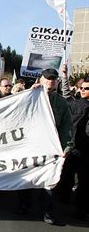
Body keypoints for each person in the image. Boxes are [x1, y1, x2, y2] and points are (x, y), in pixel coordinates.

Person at [17, 68, 72, 226]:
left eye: (53, 78)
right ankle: (24, 204)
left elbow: (66, 127)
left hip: (51, 149)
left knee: (49, 183)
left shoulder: (61, 103)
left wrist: (66, 147)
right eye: (47, 78)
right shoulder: (29, 97)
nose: (50, 81)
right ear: (40, 80)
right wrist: (28, 93)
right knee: (26, 176)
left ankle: (47, 212)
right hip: (28, 146)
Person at [57, 65, 89, 220]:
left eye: (86, 88)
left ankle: (75, 207)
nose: (82, 90)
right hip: (74, 147)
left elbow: (66, 93)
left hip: (82, 149)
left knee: (80, 181)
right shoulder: (75, 103)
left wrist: (64, 76)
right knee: (70, 177)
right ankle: (73, 206)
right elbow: (66, 93)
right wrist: (64, 75)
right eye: (81, 88)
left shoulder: (76, 104)